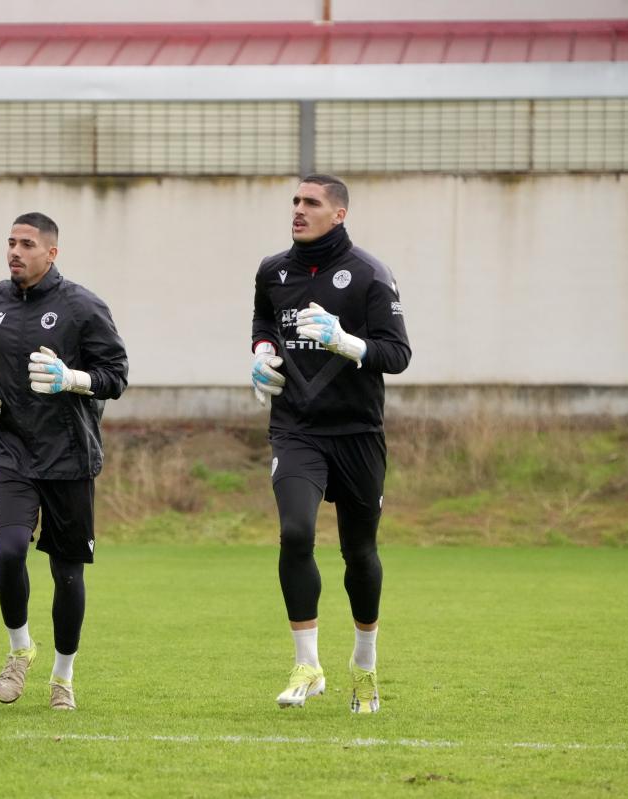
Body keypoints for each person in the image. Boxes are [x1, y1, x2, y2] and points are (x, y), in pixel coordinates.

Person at [250, 175, 411, 714]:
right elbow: (264, 319)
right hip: (295, 429)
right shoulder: (274, 270)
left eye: (311, 203)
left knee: (358, 553)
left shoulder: (369, 274)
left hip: (358, 434)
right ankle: (306, 664)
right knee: (295, 532)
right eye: (295, 201)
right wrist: (263, 354)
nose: (298, 210)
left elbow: (397, 354)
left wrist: (344, 342)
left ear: (337, 213)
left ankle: (363, 667)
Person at [0, 211, 128, 711]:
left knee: (68, 575)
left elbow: (115, 376)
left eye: (27, 244)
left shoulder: (82, 307)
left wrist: (72, 380)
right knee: (10, 550)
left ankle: (63, 676)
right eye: (10, 242)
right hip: (10, 452)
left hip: (69, 457)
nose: (15, 251)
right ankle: (19, 651)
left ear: (51, 253)